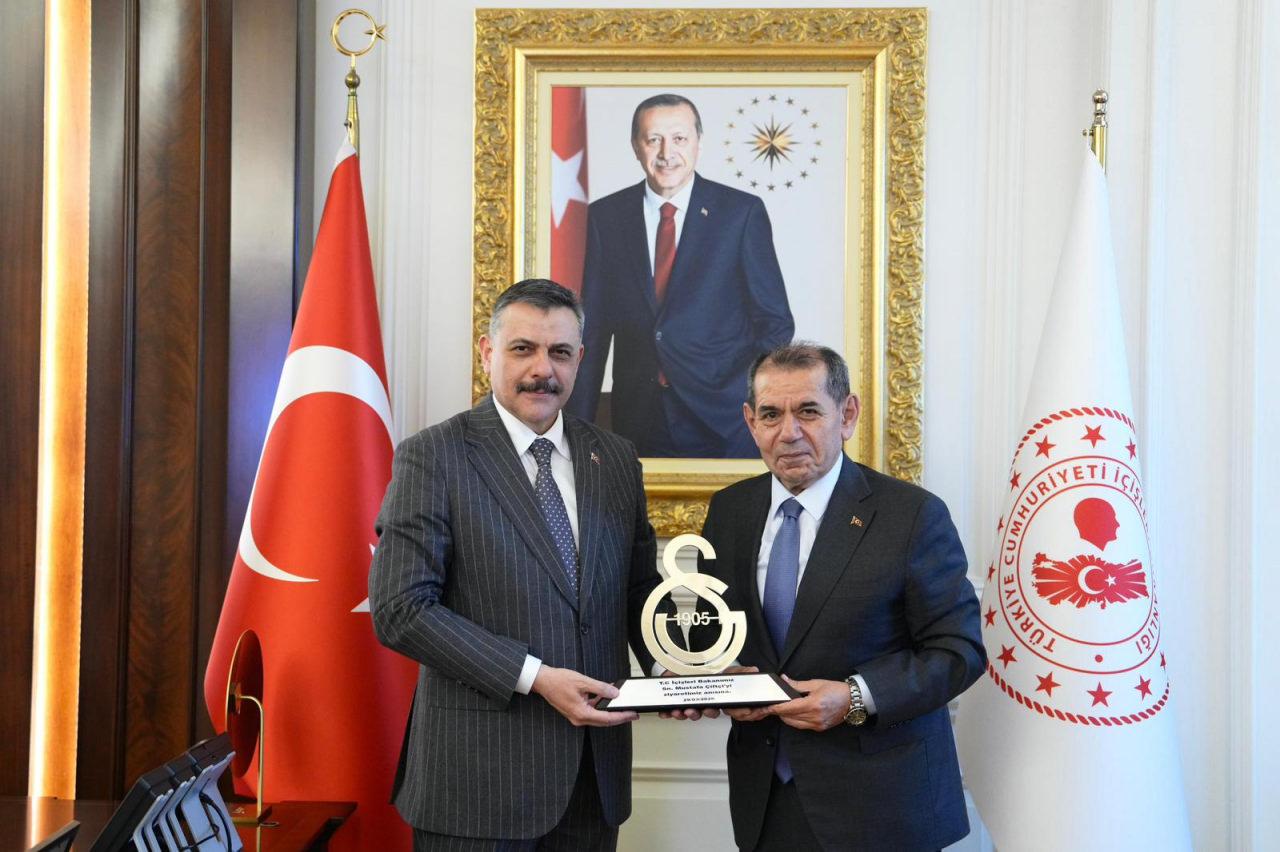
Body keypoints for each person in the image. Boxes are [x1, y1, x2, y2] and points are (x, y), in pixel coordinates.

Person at [369, 279, 663, 850]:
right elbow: (401, 609)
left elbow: (637, 591)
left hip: (592, 783)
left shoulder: (615, 458)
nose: (542, 370)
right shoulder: (435, 455)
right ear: (488, 353)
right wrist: (536, 677)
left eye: (560, 352)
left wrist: (674, 672)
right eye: (523, 349)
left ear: (580, 359)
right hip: (477, 784)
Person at [686, 342, 985, 851]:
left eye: (808, 411)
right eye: (771, 414)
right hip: (767, 800)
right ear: (750, 422)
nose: (788, 432)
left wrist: (854, 697)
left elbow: (959, 651)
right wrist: (711, 679)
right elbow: (714, 635)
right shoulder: (729, 511)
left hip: (884, 807)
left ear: (846, 416)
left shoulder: (912, 515)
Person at [566, 93, 794, 458]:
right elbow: (592, 332)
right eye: (653, 139)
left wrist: (744, 395)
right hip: (638, 419)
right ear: (636, 147)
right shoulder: (605, 217)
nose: (666, 152)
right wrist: (573, 429)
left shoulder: (740, 214)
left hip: (725, 420)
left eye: (679, 138)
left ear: (698, 143)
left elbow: (775, 323)